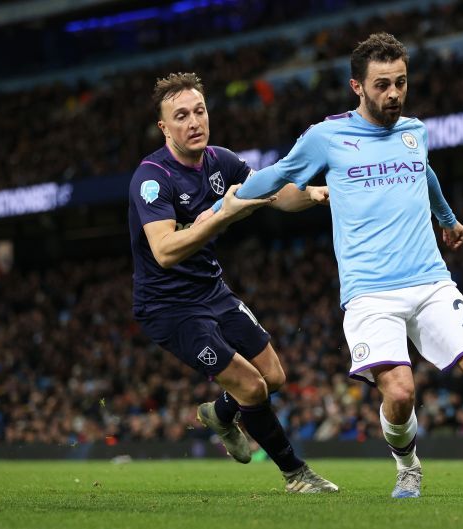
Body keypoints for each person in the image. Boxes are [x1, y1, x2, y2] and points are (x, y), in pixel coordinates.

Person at [210, 33, 463, 498]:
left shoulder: (414, 131)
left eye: (400, 83)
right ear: (356, 87)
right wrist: (232, 201)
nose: (394, 94)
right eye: (382, 85)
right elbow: (280, 173)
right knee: (400, 393)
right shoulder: (328, 136)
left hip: (430, 281)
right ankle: (408, 466)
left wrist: (447, 218)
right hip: (368, 292)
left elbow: (424, 170)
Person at [128, 72, 337, 494]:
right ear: (164, 128)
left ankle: (221, 415)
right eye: (181, 116)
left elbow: (275, 193)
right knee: (250, 385)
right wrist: (221, 215)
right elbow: (165, 251)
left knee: (274, 377)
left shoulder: (221, 160)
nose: (193, 122)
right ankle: (296, 474)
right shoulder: (152, 179)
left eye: (199, 111)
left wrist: (313, 193)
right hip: (169, 307)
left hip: (212, 290)